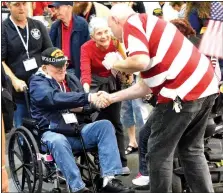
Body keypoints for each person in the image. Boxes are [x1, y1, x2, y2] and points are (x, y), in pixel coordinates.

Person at [96, 4, 219, 192]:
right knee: (191, 150)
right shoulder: (150, 24)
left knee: (158, 153)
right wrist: (112, 97)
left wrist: (116, 64)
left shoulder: (132, 23)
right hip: (206, 86)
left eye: (111, 29)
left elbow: (140, 62)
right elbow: (144, 86)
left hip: (181, 92)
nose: (113, 35)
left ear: (115, 20)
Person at [29, 47, 135, 193]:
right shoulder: (37, 83)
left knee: (104, 125)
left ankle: (108, 180)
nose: (62, 69)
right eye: (57, 67)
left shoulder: (70, 78)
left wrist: (95, 103)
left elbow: (79, 104)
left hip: (75, 128)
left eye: (64, 65)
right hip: (51, 131)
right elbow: (53, 98)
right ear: (45, 68)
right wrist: (88, 97)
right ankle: (78, 188)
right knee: (58, 140)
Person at [80, 17, 130, 174]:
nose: (104, 36)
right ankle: (104, 162)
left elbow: (127, 62)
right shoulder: (86, 48)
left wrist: (127, 76)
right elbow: (85, 72)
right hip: (94, 85)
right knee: (98, 121)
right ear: (92, 36)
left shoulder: (115, 43)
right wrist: (87, 94)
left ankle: (121, 162)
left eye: (106, 31)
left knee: (115, 121)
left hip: (113, 83)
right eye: (99, 33)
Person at [2, 1, 53, 128]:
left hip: (41, 89)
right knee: (24, 131)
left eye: (24, 3)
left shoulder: (38, 25)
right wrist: (14, 80)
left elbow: (49, 52)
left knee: (46, 128)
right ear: (8, 6)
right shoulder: (3, 29)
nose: (22, 8)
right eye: (17, 4)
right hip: (19, 92)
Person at [48, 2, 89, 79]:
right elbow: (50, 49)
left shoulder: (82, 24)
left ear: (69, 7)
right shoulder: (55, 26)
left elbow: (87, 51)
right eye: (55, 8)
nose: (55, 11)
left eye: (58, 8)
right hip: (60, 69)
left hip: (76, 69)